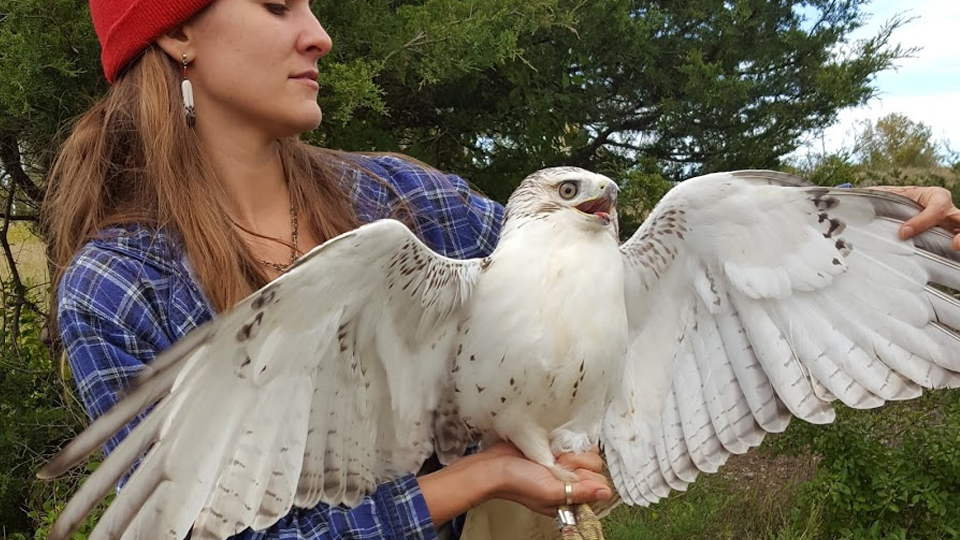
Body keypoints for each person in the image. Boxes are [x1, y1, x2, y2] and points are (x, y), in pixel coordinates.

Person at [40, 0, 960, 539]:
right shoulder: (120, 285)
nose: (318, 33)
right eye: (278, 4)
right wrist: (477, 479)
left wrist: (872, 217)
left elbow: (564, 269)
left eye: (312, 6)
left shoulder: (399, 198)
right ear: (176, 37)